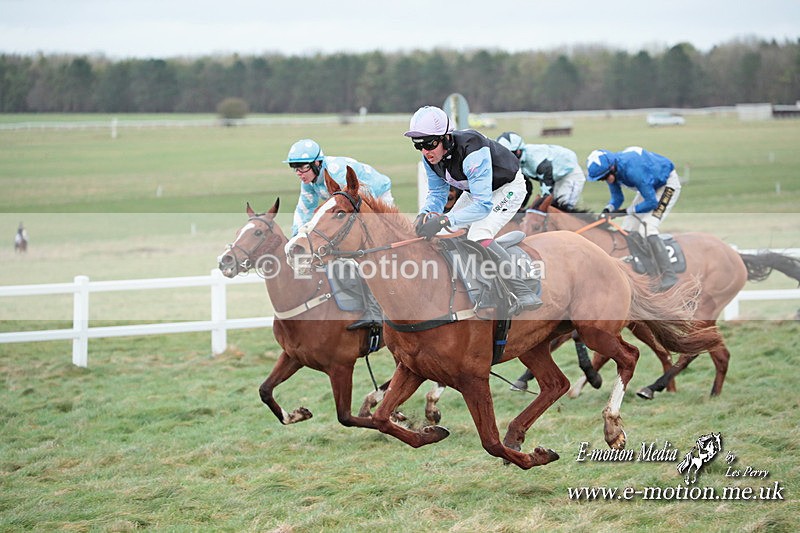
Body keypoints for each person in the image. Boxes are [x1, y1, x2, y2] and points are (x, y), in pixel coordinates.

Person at [405, 106, 542, 314]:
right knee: (446, 233)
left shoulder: (472, 150)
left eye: (429, 144)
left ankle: (522, 289)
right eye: (418, 145)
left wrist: (444, 220)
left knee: (478, 233)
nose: (425, 151)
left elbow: (483, 206)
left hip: (507, 189)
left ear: (446, 138)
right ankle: (474, 284)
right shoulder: (430, 158)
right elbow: (437, 194)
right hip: (475, 191)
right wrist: (424, 215)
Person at [284, 138, 395, 329]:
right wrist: (298, 240)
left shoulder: (337, 172)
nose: (299, 173)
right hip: (346, 206)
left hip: (375, 196)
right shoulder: (309, 181)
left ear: (317, 163)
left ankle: (376, 312)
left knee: (370, 252)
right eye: (294, 168)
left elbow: (353, 203)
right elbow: (304, 211)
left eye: (302, 167)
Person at [586, 146, 681, 292]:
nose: (604, 181)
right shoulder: (613, 170)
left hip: (666, 185)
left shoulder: (633, 171)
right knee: (628, 229)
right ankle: (648, 271)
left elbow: (651, 202)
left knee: (647, 228)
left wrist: (625, 211)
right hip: (649, 187)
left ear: (612, 168)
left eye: (604, 177)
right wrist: (608, 210)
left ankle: (669, 275)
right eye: (600, 180)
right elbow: (617, 198)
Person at [496, 132, 586, 210]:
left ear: (518, 151)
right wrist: (520, 208)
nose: (506, 158)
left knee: (561, 209)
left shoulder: (537, 161)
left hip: (569, 174)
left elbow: (547, 193)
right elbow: (526, 187)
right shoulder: (517, 161)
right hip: (553, 176)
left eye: (509, 153)